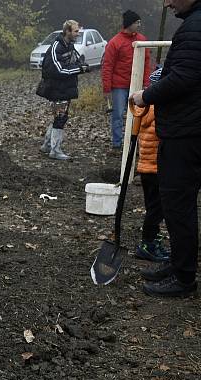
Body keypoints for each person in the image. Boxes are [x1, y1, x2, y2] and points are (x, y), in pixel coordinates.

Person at [131, 0, 201, 297]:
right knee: (176, 205)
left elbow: (183, 78)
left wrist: (146, 95)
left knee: (178, 205)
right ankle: (178, 263)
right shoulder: (193, 24)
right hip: (188, 128)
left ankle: (184, 277)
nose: (168, 2)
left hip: (186, 133)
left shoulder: (195, 27)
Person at [36, 19, 90, 160]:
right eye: (76, 31)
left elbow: (75, 62)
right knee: (60, 118)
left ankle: (47, 146)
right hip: (56, 89)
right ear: (67, 31)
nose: (78, 33)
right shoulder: (56, 47)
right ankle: (55, 150)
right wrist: (79, 69)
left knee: (60, 117)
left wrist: (82, 65)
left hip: (65, 88)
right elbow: (58, 70)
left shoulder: (69, 46)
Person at [133, 67, 170, 263]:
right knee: (157, 210)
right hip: (156, 167)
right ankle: (147, 244)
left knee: (153, 207)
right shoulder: (160, 110)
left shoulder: (146, 109)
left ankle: (153, 240)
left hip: (145, 167)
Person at [102, 10, 151, 150]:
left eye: (139, 22)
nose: (139, 25)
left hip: (137, 84)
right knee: (118, 114)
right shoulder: (115, 42)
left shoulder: (142, 40)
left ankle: (135, 141)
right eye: (137, 22)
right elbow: (107, 66)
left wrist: (146, 83)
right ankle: (117, 143)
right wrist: (107, 88)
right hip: (119, 86)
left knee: (139, 113)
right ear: (129, 24)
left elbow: (146, 62)